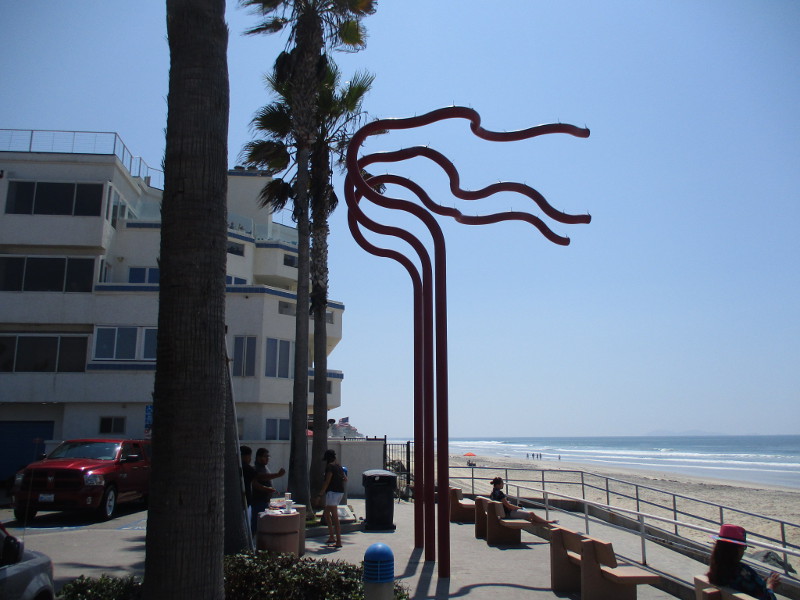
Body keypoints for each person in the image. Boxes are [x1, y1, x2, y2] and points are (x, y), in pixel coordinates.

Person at [707, 524, 780, 600]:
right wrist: (770, 586)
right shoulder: (744, 573)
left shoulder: (715, 570)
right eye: (743, 547)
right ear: (738, 550)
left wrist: (761, 583)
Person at [489, 477, 556, 525]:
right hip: (508, 514)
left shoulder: (492, 493)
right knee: (531, 514)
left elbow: (505, 504)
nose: (503, 484)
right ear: (498, 484)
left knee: (528, 516)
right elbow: (508, 506)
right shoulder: (499, 493)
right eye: (502, 483)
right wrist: (517, 508)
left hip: (501, 513)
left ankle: (540, 522)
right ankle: (547, 522)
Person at [316, 449, 347, 548]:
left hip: (332, 493)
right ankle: (331, 537)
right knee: (326, 514)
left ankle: (338, 541)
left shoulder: (330, 466)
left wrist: (320, 495)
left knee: (334, 517)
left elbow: (327, 482)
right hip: (340, 492)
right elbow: (345, 479)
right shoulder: (339, 466)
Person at [250, 447, 286, 535]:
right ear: (258, 457)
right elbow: (260, 478)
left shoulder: (264, 467)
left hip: (265, 501)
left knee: (263, 526)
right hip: (258, 502)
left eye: (268, 456)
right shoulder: (256, 468)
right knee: (256, 525)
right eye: (265, 456)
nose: (267, 458)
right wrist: (277, 475)